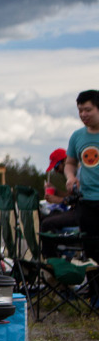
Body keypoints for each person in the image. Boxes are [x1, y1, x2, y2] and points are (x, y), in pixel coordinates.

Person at [63, 89, 99, 259]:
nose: (83, 114)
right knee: (91, 252)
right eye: (80, 110)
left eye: (88, 110)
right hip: (86, 202)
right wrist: (71, 177)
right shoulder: (77, 136)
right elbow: (70, 163)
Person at [40, 147, 82, 257]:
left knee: (47, 224)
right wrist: (56, 191)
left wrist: (58, 200)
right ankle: (53, 253)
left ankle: (51, 259)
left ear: (65, 161)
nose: (56, 171)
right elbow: (72, 196)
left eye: (57, 167)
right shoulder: (73, 174)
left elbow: (80, 199)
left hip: (82, 214)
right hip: (76, 211)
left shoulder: (79, 174)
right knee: (45, 217)